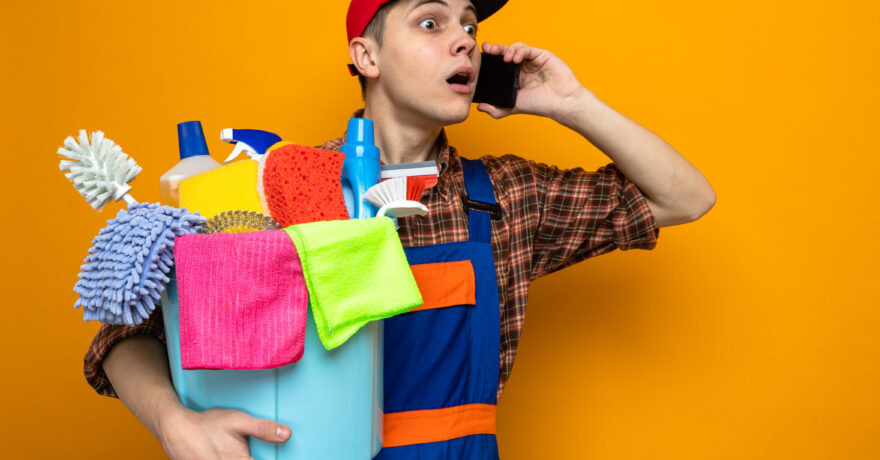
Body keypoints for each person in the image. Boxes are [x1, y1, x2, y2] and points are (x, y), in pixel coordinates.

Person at [83, 0, 716, 458]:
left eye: (470, 25)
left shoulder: (509, 199)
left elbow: (685, 197)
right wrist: (175, 423)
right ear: (367, 55)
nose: (464, 40)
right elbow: (123, 335)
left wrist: (573, 105)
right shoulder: (280, 186)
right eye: (431, 22)